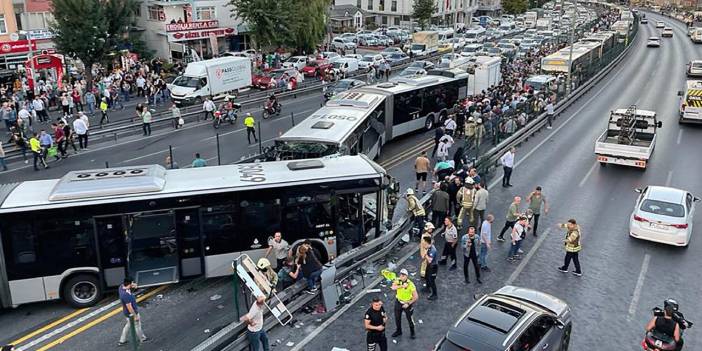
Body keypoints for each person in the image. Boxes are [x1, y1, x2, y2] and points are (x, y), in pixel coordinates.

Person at [118, 278, 148, 346]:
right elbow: (129, 307)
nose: (133, 283)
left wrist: (133, 287)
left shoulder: (121, 287)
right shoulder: (126, 295)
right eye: (132, 282)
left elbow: (129, 288)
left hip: (126, 313)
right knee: (137, 326)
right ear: (129, 283)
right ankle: (142, 338)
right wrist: (135, 316)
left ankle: (122, 340)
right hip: (131, 313)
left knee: (128, 325)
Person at [390, 268, 418, 338]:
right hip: (398, 302)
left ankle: (412, 332)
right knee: (397, 318)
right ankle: (399, 331)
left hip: (407, 303)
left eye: (403, 275)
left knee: (410, 319)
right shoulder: (397, 280)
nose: (401, 276)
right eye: (401, 274)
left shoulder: (411, 284)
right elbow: (393, 288)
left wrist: (408, 303)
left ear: (406, 276)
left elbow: (416, 297)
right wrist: (402, 286)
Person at [422, 235, 438, 300]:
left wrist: (425, 254)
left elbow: (429, 260)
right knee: (426, 276)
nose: (423, 245)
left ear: (427, 243)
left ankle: (435, 294)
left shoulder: (432, 250)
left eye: (424, 243)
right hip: (429, 265)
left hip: (433, 267)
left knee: (432, 281)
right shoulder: (428, 247)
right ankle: (427, 288)